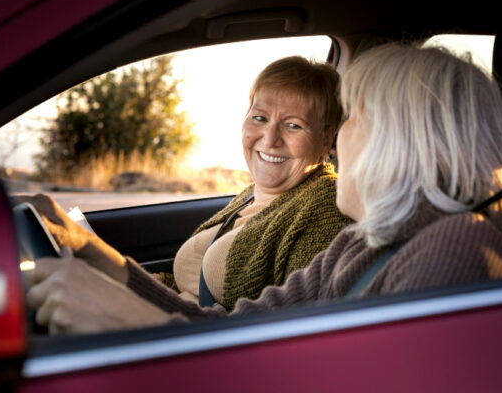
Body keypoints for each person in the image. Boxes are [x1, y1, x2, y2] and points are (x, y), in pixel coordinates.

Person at [26, 43, 502, 333]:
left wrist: (133, 326)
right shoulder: (366, 243)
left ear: (402, 142)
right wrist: (91, 251)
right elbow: (238, 329)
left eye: (350, 120)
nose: (336, 143)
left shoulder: (456, 253)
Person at [17, 55, 351, 314]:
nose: (269, 138)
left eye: (293, 126)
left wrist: (108, 290)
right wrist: (90, 256)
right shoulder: (251, 196)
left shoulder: (323, 205)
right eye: (260, 118)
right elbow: (176, 292)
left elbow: (275, 329)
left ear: (326, 140)